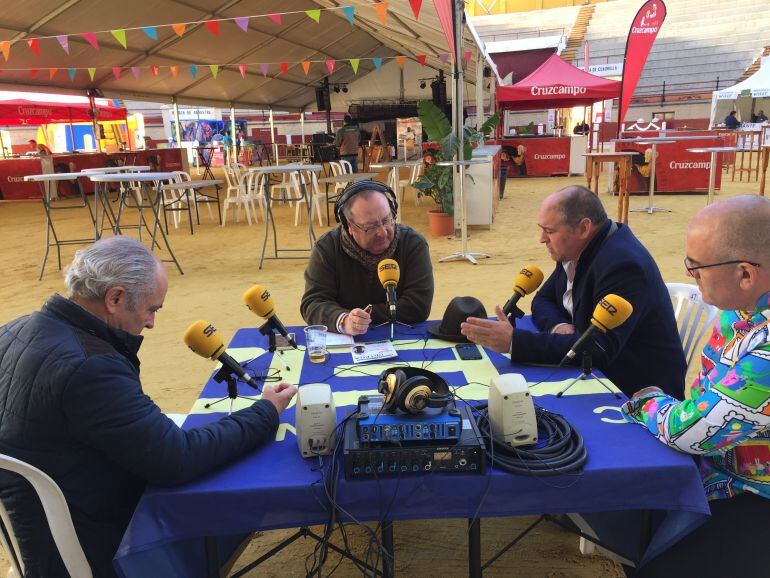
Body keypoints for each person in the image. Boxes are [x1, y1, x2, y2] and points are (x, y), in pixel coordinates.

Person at [0, 236, 296, 577]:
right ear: (115, 298)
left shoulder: (17, 328)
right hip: (93, 539)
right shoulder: (91, 367)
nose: (152, 323)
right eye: (151, 309)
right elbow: (177, 460)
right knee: (229, 488)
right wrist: (266, 411)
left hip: (33, 526)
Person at [620, 195, 770, 575]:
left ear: (745, 274)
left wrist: (646, 401)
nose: (690, 274)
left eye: (696, 265)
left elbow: (691, 430)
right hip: (718, 474)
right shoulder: (739, 310)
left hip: (751, 495)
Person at [460, 185, 686, 398]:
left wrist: (514, 342)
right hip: (601, 374)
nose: (541, 239)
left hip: (636, 390)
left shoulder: (623, 265)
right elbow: (544, 299)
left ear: (584, 228)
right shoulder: (578, 247)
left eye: (549, 231)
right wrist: (559, 326)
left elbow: (598, 349)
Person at [301, 181, 434, 335]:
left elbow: (418, 306)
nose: (382, 232)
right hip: (347, 343)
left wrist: (361, 316)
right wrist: (344, 320)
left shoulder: (413, 243)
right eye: (370, 227)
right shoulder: (327, 248)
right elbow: (312, 304)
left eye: (387, 220)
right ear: (349, 226)